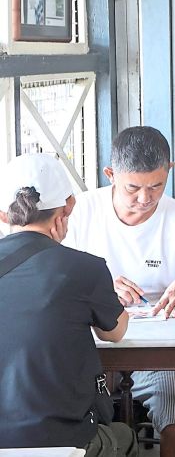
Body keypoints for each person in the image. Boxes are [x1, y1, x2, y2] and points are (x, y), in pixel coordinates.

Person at [63, 128, 175, 457]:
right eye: (133, 188)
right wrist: (99, 287)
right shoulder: (80, 213)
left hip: (162, 355)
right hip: (90, 351)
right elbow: (55, 281)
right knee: (70, 418)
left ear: (170, 172)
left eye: (156, 186)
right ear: (111, 175)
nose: (145, 198)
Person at [0, 154, 135, 456]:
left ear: (3, 215)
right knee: (125, 436)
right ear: (69, 205)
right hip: (62, 441)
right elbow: (114, 333)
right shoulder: (84, 268)